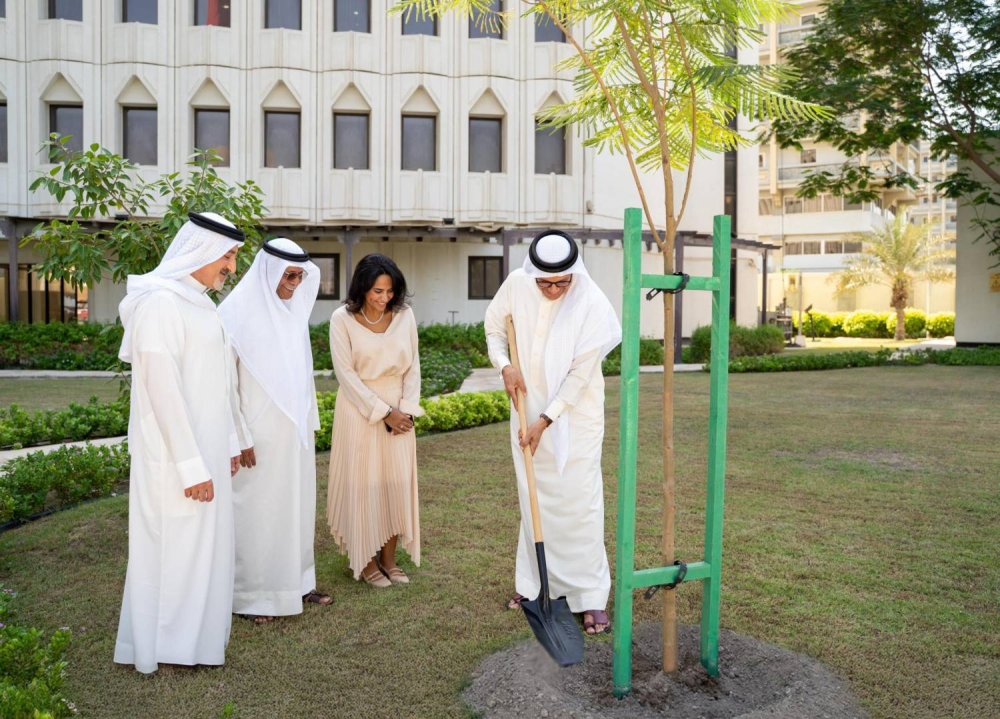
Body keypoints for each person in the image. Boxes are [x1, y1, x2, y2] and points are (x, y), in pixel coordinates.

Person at [114, 211, 246, 673]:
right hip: (173, 458)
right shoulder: (160, 303)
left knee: (202, 552)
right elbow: (162, 391)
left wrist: (227, 444)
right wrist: (191, 467)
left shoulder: (200, 302)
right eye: (227, 255)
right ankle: (165, 648)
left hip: (205, 450)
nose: (230, 267)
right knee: (174, 550)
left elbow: (219, 383)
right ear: (203, 249)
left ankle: (193, 645)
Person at [483, 230, 622, 635]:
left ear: (574, 274)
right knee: (533, 498)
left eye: (562, 282)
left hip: (574, 419)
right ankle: (534, 585)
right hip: (524, 411)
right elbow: (494, 329)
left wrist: (547, 420)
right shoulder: (516, 285)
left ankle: (588, 596)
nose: (553, 290)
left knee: (579, 505)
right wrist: (504, 365)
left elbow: (581, 374)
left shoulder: (591, 302)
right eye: (545, 283)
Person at [218, 238, 333, 626]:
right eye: (289, 275)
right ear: (268, 271)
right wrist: (239, 437)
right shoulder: (233, 314)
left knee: (296, 510)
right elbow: (225, 386)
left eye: (300, 275)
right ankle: (253, 596)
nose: (295, 283)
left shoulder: (292, 313)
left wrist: (309, 422)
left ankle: (298, 583)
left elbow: (301, 379)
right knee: (259, 515)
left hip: (294, 437)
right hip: (257, 438)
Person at [325, 254, 424, 587]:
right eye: (377, 291)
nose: (384, 298)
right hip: (359, 410)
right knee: (363, 486)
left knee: (395, 484)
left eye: (389, 291)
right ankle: (365, 560)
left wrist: (405, 409)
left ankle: (390, 559)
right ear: (363, 289)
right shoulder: (342, 319)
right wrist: (384, 413)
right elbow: (346, 375)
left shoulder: (404, 315)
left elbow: (414, 366)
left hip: (400, 410)